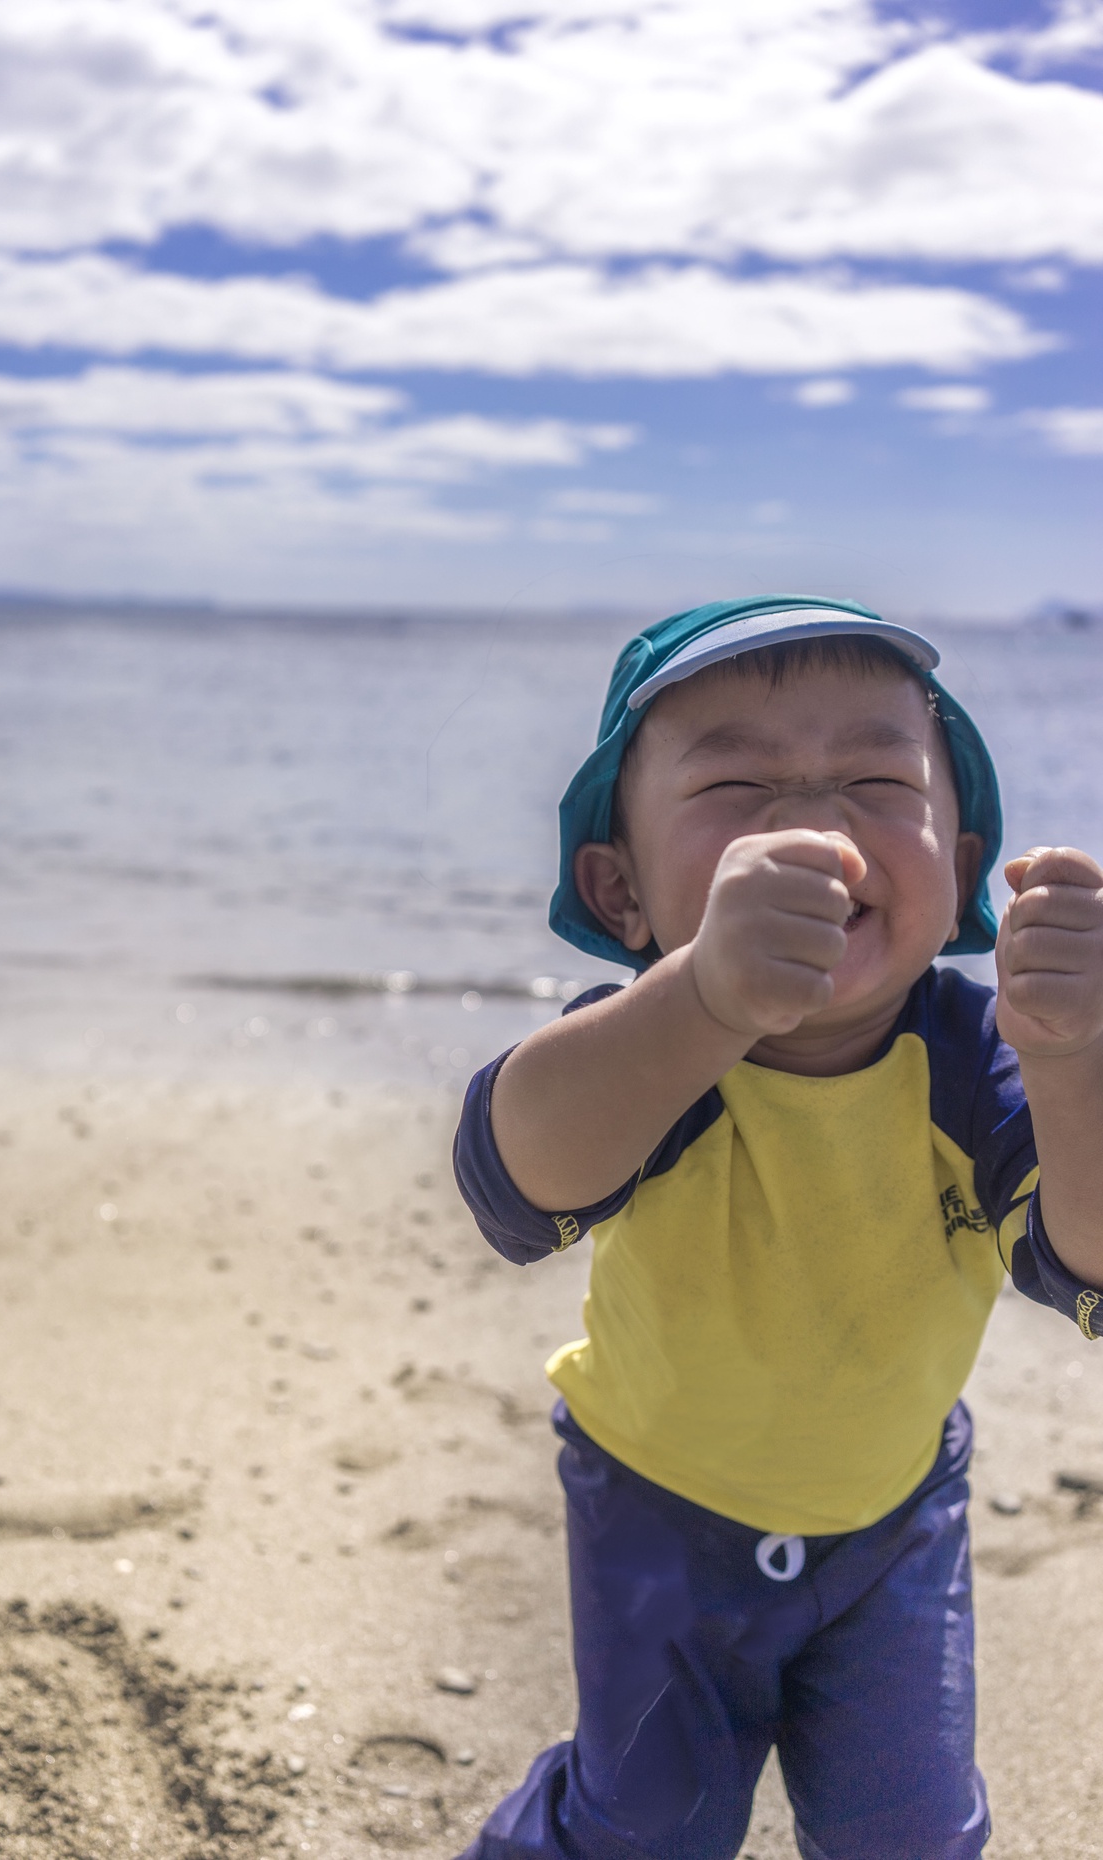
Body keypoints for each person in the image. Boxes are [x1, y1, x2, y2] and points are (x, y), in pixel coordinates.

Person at [451, 595, 1103, 1860]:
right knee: (646, 1824)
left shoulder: (977, 1069)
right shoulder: (650, 1053)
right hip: (656, 1500)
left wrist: (1075, 1061)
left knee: (909, 1832)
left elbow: (1087, 1261)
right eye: (737, 784)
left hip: (892, 1518)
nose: (813, 823)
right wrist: (699, 998)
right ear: (619, 887)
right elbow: (512, 1179)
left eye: (873, 774)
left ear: (963, 866)